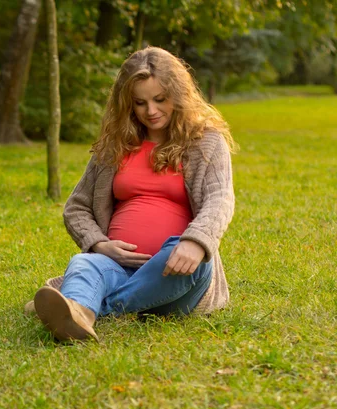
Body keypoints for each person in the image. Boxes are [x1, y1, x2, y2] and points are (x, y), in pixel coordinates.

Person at [29, 46, 237, 342]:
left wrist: (196, 242)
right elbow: (77, 207)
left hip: (176, 273)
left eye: (160, 99)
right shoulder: (115, 145)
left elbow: (220, 199)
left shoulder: (205, 142)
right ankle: (77, 317)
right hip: (116, 266)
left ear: (178, 94)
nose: (151, 111)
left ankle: (87, 306)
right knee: (84, 263)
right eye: (140, 103)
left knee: (190, 264)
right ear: (127, 103)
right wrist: (99, 245)